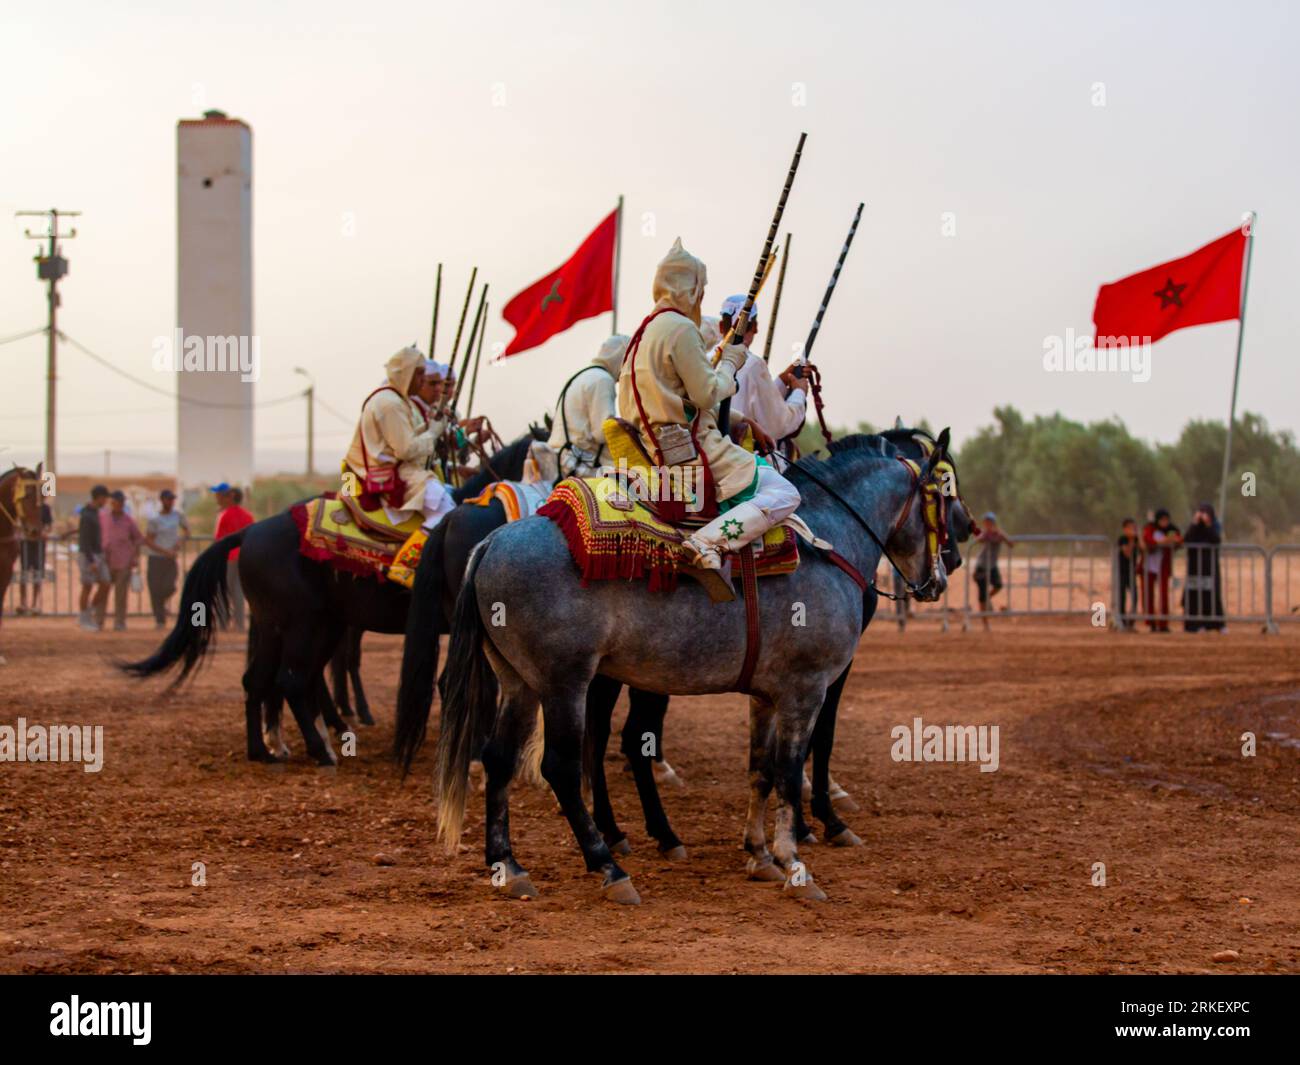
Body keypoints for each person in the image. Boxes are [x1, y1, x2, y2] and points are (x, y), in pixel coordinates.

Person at [616, 238, 802, 569]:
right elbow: (706, 394)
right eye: (700, 289)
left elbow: (686, 399)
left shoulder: (643, 332)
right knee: (786, 493)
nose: (701, 298)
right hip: (690, 448)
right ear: (690, 289)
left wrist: (746, 420)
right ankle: (706, 543)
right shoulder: (681, 329)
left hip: (655, 442)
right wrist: (730, 361)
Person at [343, 345, 481, 587]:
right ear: (406, 374)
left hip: (407, 469)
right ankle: (406, 564)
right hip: (396, 473)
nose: (423, 380)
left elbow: (409, 439)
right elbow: (405, 449)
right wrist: (435, 432)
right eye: (420, 375)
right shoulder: (390, 403)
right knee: (447, 512)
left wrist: (433, 429)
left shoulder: (398, 400)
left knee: (454, 498)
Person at [717, 294, 809, 461]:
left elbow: (751, 400)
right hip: (738, 461)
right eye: (755, 326)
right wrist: (799, 393)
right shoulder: (753, 364)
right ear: (754, 327)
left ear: (721, 326)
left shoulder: (708, 357)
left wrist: (782, 380)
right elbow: (778, 425)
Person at [547, 335, 630, 477]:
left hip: (560, 456)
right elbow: (603, 433)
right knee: (638, 481)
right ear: (621, 358)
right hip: (578, 464)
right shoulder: (603, 380)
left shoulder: (584, 375)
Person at [212, 483, 254, 631]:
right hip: (243, 557)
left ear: (231, 497)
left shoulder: (224, 515)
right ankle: (240, 624)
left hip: (227, 557)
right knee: (238, 591)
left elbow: (218, 539)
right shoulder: (248, 516)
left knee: (223, 590)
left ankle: (223, 623)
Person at [144, 488, 188, 629]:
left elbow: (186, 531)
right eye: (168, 499)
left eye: (172, 499)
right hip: (156, 557)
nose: (171, 502)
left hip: (171, 557)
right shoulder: (154, 519)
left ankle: (162, 605)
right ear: (162, 500)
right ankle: (160, 619)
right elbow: (149, 540)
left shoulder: (177, 515)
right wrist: (164, 551)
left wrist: (176, 546)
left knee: (169, 585)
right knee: (155, 588)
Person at [101, 490, 144, 632]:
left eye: (120, 502)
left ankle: (119, 622)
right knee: (103, 592)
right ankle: (98, 620)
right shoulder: (102, 517)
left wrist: (135, 557)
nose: (117, 505)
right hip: (106, 561)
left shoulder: (128, 520)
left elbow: (137, 539)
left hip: (124, 562)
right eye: (115, 502)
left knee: (121, 595)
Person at [1183, 503, 1223, 632]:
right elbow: (1187, 539)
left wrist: (1208, 525)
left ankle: (1215, 624)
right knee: (1193, 596)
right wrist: (1195, 523)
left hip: (1210, 568)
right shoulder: (1194, 528)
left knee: (1211, 595)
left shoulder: (1214, 526)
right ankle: (1193, 625)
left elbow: (1216, 540)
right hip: (1194, 568)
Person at [76, 485, 112, 631]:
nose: (106, 501)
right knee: (87, 586)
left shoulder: (95, 513)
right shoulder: (87, 515)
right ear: (99, 497)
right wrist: (91, 560)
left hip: (97, 553)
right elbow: (84, 540)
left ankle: (87, 612)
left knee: (106, 583)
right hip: (88, 555)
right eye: (105, 498)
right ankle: (84, 618)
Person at [1141, 508, 1182, 632]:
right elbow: (1148, 540)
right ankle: (1151, 622)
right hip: (1148, 567)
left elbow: (1179, 540)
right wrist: (1163, 541)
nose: (1164, 522)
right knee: (1148, 595)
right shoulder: (1150, 528)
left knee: (1164, 595)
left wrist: (1173, 540)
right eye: (1162, 520)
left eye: (1166, 520)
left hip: (1163, 567)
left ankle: (1163, 624)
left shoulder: (1172, 530)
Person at [972, 511, 1015, 629]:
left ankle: (988, 598)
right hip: (981, 566)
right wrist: (985, 535)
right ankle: (985, 623)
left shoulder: (999, 534)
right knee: (981, 595)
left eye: (989, 521)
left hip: (992, 566)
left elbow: (1011, 544)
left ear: (993, 522)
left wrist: (1002, 535)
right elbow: (978, 540)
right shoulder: (985, 534)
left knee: (998, 585)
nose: (987, 524)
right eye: (986, 522)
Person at [16, 498, 53, 616]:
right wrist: (22, 533)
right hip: (25, 544)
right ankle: (23, 603)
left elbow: (49, 525)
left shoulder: (45, 508)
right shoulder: (23, 506)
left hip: (39, 544)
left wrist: (44, 532)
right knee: (24, 573)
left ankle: (34, 603)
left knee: (38, 573)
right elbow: (17, 523)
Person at [1116, 517, 1143, 631]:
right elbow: (1127, 553)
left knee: (1135, 597)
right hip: (1122, 572)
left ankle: (1131, 621)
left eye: (1134, 527)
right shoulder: (1122, 539)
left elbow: (1143, 549)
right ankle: (1122, 621)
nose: (1132, 530)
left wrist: (1139, 536)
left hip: (1132, 572)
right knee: (1122, 597)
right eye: (1130, 527)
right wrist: (1132, 540)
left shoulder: (1136, 539)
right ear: (1125, 528)